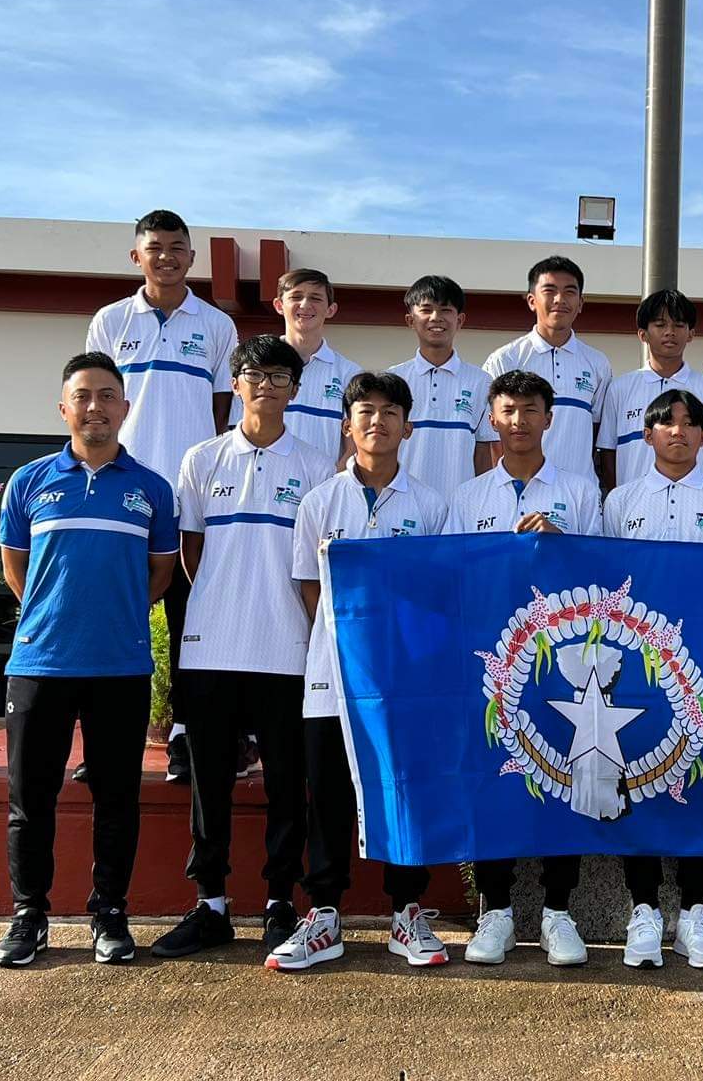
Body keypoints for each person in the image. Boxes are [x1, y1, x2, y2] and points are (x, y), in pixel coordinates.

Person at [148, 336, 336, 962]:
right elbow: (192, 555)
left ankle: (280, 903)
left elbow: (315, 561)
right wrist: (229, 600)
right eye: (253, 374)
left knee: (289, 782)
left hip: (287, 647)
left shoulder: (315, 464)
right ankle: (211, 903)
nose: (265, 385)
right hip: (211, 646)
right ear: (236, 383)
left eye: (279, 376)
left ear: (295, 389)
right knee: (210, 783)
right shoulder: (201, 458)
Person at [0, 352, 180, 968]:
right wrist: (56, 612)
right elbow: (16, 570)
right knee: (30, 797)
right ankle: (29, 915)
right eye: (83, 395)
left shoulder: (152, 488)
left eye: (107, 396)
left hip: (119, 665)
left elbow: (159, 574)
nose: (95, 406)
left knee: (118, 796)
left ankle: (110, 914)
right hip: (40, 661)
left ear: (124, 408)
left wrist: (112, 612)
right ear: (64, 407)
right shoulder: (28, 481)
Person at [274, 371, 452, 971]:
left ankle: (407, 911)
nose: (377, 421)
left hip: (404, 684)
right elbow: (307, 587)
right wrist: (343, 641)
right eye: (365, 411)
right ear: (347, 424)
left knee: (402, 790)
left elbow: (437, 594)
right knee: (326, 795)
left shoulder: (431, 505)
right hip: (331, 678)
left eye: (390, 412)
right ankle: (324, 914)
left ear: (408, 426)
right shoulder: (320, 502)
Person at [448, 369, 601, 967]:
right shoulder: (467, 496)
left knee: (565, 779)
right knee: (495, 778)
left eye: (531, 409)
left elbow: (606, 576)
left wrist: (563, 543)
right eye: (508, 410)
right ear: (492, 417)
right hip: (493, 664)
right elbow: (452, 579)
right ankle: (496, 911)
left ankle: (559, 911)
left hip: (564, 664)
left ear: (549, 417)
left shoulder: (582, 490)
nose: (519, 421)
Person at [84, 210, 236, 786]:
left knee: (186, 619)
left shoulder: (217, 326)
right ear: (137, 257)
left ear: (191, 258)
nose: (166, 256)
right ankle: (106, 742)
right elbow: (94, 401)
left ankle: (183, 738)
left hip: (189, 495)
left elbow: (222, 412)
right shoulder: (110, 320)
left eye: (177, 247)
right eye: (155, 247)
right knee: (115, 615)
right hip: (123, 488)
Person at [602, 389, 703, 969]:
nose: (679, 433)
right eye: (667, 423)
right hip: (635, 662)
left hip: (702, 666)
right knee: (633, 779)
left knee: (698, 780)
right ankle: (643, 910)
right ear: (647, 434)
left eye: (691, 424)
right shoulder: (620, 501)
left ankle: (694, 911)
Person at [483, 256, 611, 490]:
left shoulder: (598, 363)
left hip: (578, 494)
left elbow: (595, 433)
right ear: (532, 300)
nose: (560, 300)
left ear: (581, 303)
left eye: (569, 292)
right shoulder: (505, 359)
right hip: (520, 491)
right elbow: (492, 436)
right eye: (549, 291)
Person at [596, 288, 703, 490]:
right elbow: (607, 452)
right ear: (643, 334)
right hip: (633, 509)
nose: (670, 332)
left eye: (679, 325)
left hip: (695, 508)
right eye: (660, 324)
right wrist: (618, 499)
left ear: (691, 334)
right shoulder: (619, 388)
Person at [243, 268, 364, 464]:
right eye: (296, 296)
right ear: (279, 305)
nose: (305, 304)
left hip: (322, 490)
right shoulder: (254, 367)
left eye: (315, 298)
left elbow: (354, 446)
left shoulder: (350, 374)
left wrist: (329, 489)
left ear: (331, 309)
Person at [390, 275, 496, 497]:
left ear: (460, 320)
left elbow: (484, 450)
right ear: (410, 320)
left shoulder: (482, 382)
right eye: (426, 310)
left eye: (446, 310)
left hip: (459, 508)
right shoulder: (392, 380)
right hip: (401, 505)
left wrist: (478, 502)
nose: (436, 317)